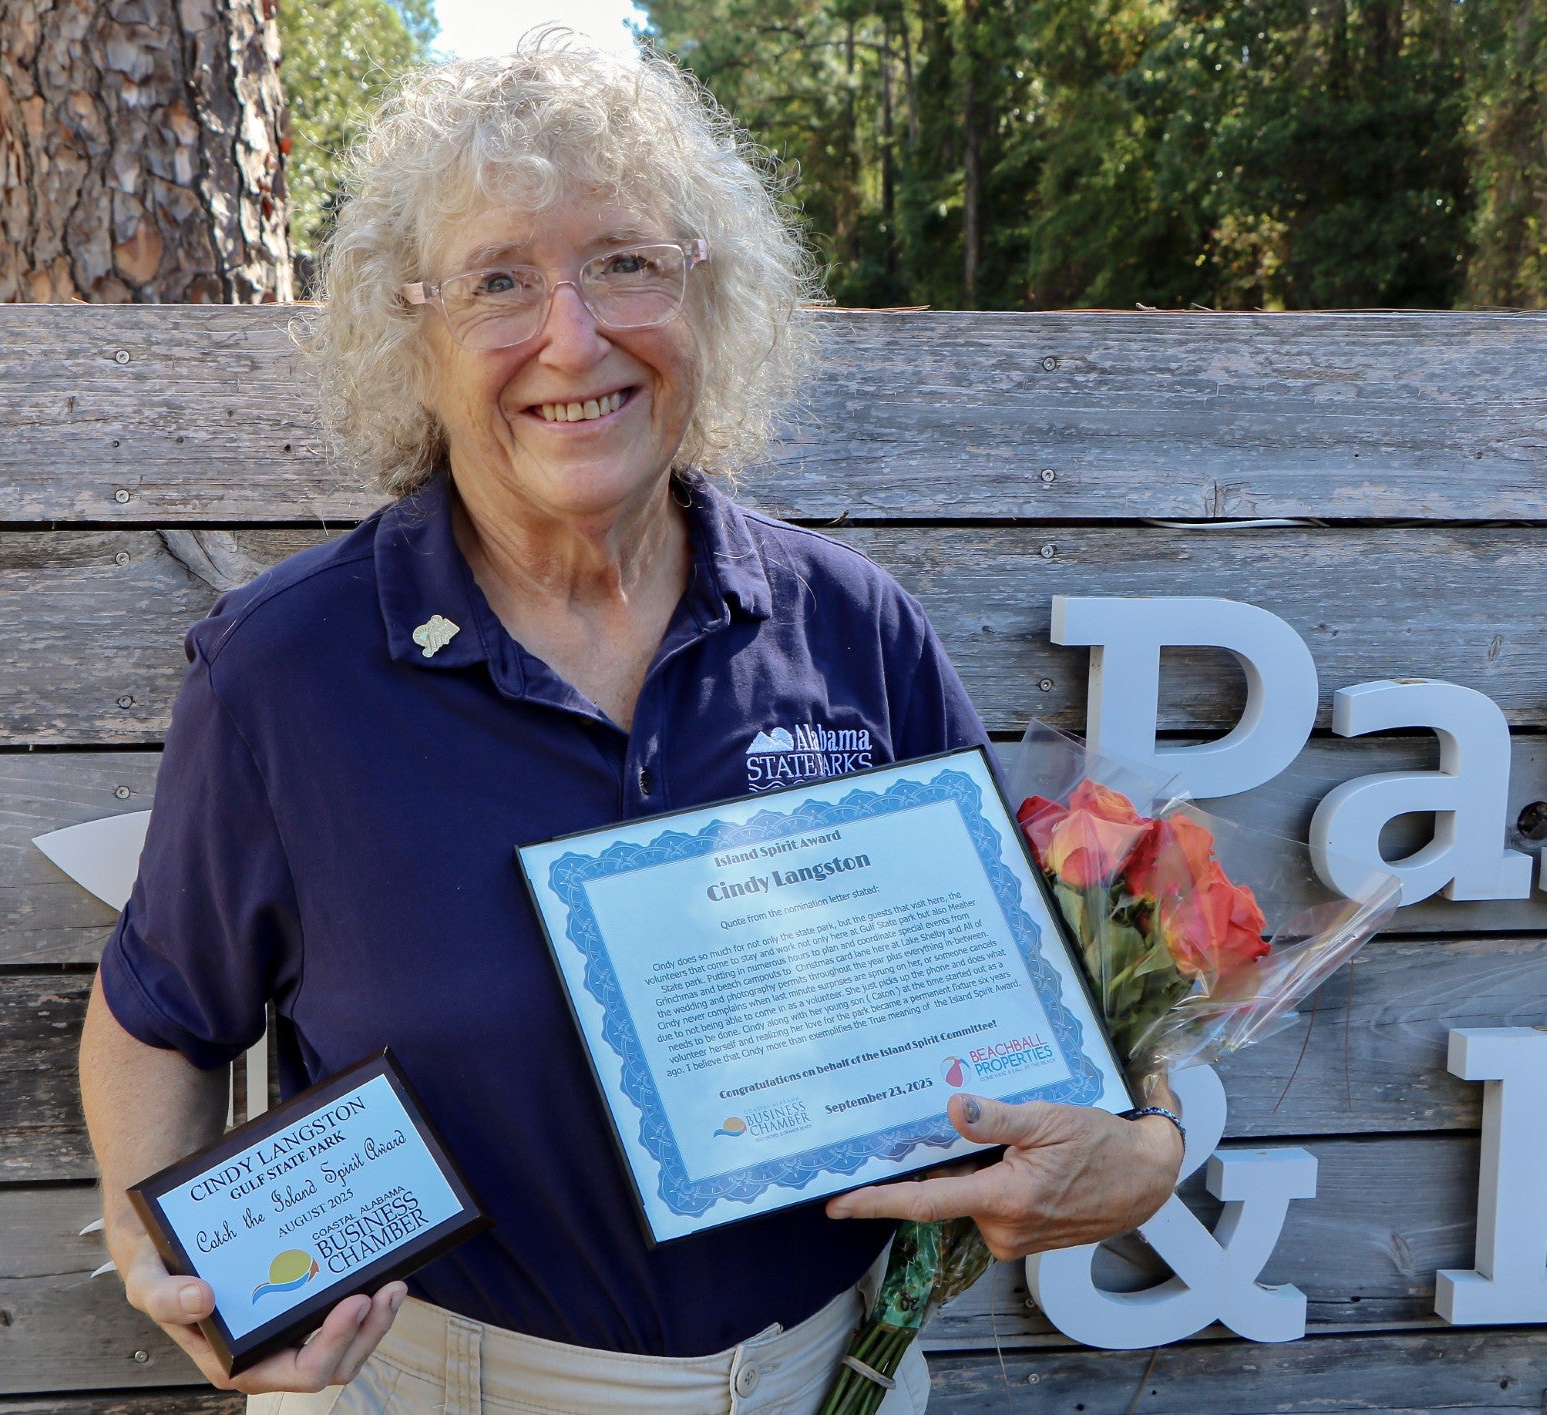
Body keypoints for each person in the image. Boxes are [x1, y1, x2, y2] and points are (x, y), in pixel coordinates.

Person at [77, 36, 1183, 1414]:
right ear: (411, 338)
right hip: (442, 1391)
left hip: (830, 1377)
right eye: (498, 281)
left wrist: (1146, 1145)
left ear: (709, 295)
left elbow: (1043, 1006)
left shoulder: (853, 629)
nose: (573, 336)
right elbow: (160, 1018)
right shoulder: (284, 674)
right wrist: (150, 1250)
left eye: (627, 263)